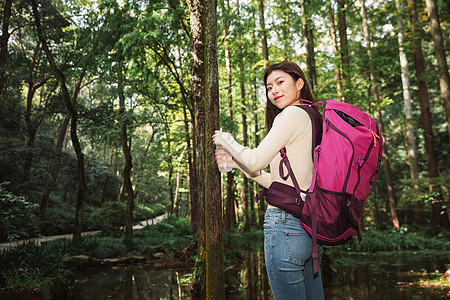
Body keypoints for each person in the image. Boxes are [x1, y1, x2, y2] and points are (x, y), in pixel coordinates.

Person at [212, 61, 324, 299]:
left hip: (284, 227)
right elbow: (280, 183)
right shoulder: (314, 117)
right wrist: (236, 164)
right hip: (310, 228)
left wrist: (225, 139)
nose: (274, 90)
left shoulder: (292, 114)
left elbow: (254, 160)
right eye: (269, 86)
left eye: (280, 82)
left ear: (299, 83)